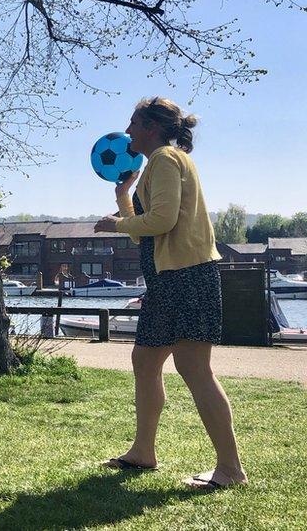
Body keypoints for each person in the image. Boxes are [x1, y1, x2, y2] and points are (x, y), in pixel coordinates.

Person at [94, 97, 247, 489]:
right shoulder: (160, 162)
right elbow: (147, 224)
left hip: (188, 277)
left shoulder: (164, 158)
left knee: (195, 369)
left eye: (133, 123)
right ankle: (143, 452)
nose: (127, 131)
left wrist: (115, 226)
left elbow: (161, 221)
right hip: (167, 281)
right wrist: (123, 198)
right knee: (145, 361)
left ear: (151, 127)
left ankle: (230, 470)